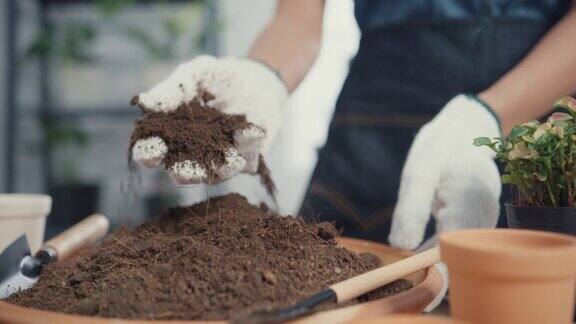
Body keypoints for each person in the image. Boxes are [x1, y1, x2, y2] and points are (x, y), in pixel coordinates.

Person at [131, 0, 576, 252]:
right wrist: (263, 75)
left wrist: (488, 116)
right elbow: (298, 18)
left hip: (529, 114)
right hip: (372, 116)